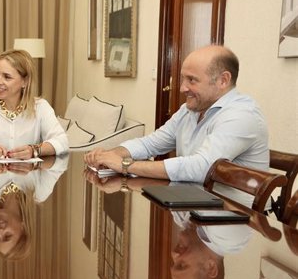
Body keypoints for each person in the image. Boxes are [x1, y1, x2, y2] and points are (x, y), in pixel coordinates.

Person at [85, 45, 269, 184]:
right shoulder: (190, 110)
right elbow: (151, 143)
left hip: (237, 218)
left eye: (192, 80)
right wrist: (111, 155)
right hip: (196, 203)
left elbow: (202, 168)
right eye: (183, 78)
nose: (182, 88)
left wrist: (125, 165)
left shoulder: (241, 115)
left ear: (223, 80)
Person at [169, 210, 252, 279]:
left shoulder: (183, 220)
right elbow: (206, 199)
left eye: (174, 262)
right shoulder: (229, 239)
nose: (174, 254)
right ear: (210, 267)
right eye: (182, 265)